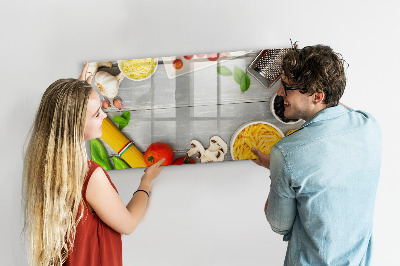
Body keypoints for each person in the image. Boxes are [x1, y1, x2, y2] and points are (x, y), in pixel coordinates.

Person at [22, 63, 165, 266]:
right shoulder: (89, 176)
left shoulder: (43, 167)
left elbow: (64, 117)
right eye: (97, 114)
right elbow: (128, 223)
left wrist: (78, 95)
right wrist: (146, 182)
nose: (104, 116)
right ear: (75, 125)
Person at [251, 45, 382, 265]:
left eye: (287, 87)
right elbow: (337, 109)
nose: (280, 93)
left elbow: (279, 225)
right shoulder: (369, 125)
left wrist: (277, 167)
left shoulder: (285, 153)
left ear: (317, 96)